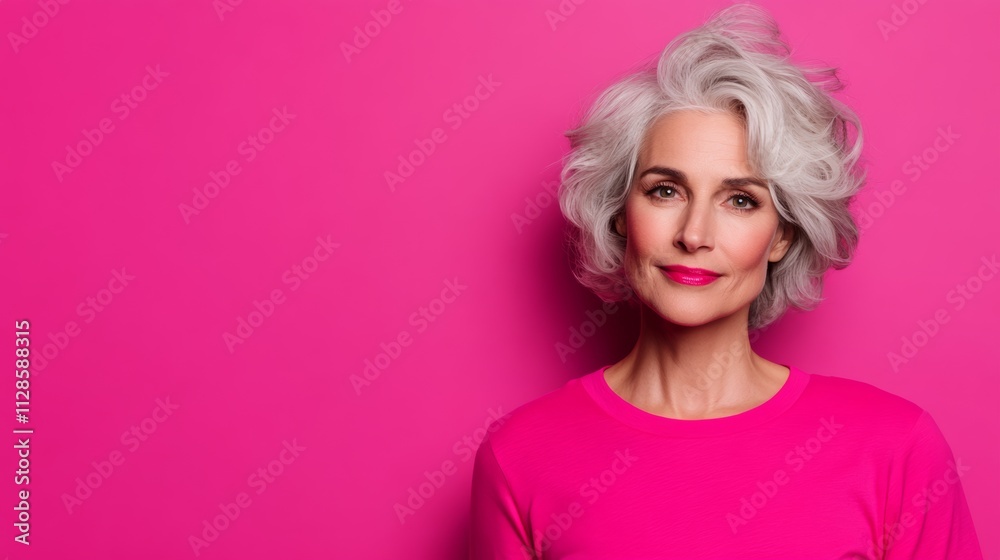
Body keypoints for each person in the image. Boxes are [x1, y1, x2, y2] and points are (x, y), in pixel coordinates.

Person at [468, 3, 983, 559]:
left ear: (782, 235)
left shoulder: (894, 448)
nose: (694, 234)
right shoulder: (521, 455)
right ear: (620, 212)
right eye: (665, 190)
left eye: (740, 200)